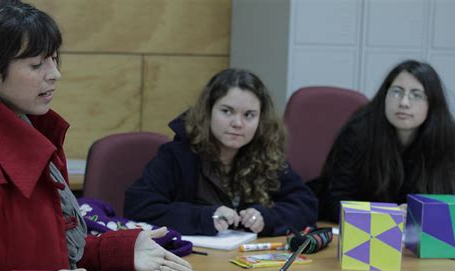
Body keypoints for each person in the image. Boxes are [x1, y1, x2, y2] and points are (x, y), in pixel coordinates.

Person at [0, 1, 196, 271]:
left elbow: (47, 253)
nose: (55, 74)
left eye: (55, 60)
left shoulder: (35, 132)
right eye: (36, 65)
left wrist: (119, 251)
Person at [305, 59, 455, 271]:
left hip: (406, 258)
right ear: (385, 95)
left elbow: (442, 209)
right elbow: (335, 202)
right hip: (353, 249)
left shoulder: (444, 138)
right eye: (396, 91)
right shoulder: (360, 130)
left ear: (432, 104)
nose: (404, 102)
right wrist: (389, 217)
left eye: (416, 95)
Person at [124, 68, 318, 237]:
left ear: (260, 120)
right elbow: (139, 208)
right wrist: (203, 217)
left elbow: (306, 205)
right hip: (189, 266)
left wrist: (266, 218)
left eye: (249, 115)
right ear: (208, 112)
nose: (237, 123)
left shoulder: (266, 155)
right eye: (227, 111)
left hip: (249, 263)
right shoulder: (178, 155)